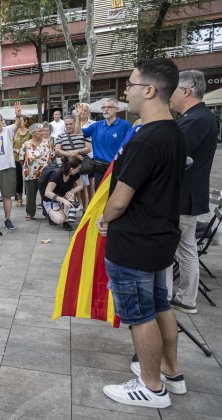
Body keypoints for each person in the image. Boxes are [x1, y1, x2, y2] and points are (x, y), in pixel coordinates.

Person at [98, 58, 186, 409]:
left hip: (135, 240)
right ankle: (170, 371)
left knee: (139, 314)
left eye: (131, 85)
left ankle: (151, 386)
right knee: (160, 303)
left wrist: (104, 218)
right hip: (160, 236)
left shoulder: (147, 139)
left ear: (149, 90)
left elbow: (120, 198)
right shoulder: (174, 132)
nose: (125, 92)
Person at [165, 69, 218, 314]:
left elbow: (172, 156)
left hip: (182, 196)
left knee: (168, 247)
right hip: (188, 195)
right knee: (185, 248)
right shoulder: (200, 117)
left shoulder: (195, 120)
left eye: (173, 91)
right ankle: (186, 297)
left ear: (186, 91)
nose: (170, 97)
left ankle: (165, 297)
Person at [77, 97, 131, 188]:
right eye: (103, 107)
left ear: (116, 109)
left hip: (116, 167)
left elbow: (130, 146)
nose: (105, 109)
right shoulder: (96, 125)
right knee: (99, 195)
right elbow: (79, 133)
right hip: (99, 168)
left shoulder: (125, 125)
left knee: (113, 195)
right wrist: (78, 117)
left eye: (109, 107)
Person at [55, 114, 92, 210]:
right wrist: (70, 154)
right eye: (66, 124)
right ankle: (69, 212)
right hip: (68, 167)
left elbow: (89, 148)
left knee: (83, 189)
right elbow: (57, 151)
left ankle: (85, 210)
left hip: (81, 166)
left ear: (75, 123)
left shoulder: (82, 134)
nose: (68, 126)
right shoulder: (60, 136)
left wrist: (77, 151)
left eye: (70, 124)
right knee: (67, 189)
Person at [19, 123, 53, 221]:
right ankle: (30, 213)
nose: (42, 132)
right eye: (40, 131)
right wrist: (28, 168)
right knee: (30, 194)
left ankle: (47, 212)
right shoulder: (26, 144)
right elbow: (21, 159)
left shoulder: (47, 143)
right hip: (30, 174)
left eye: (43, 131)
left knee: (45, 194)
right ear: (33, 133)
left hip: (45, 173)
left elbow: (51, 157)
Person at [43, 157, 82, 231]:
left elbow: (80, 186)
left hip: (63, 197)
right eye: (78, 168)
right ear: (71, 169)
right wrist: (63, 200)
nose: (79, 170)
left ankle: (66, 221)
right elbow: (47, 193)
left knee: (71, 196)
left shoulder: (74, 174)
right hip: (51, 200)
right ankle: (51, 214)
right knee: (59, 220)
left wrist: (71, 191)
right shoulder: (57, 175)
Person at [78, 103, 96, 203]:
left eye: (85, 110)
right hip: (78, 157)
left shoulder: (94, 124)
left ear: (88, 112)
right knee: (81, 184)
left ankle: (91, 205)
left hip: (91, 156)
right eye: (81, 110)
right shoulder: (74, 123)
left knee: (91, 185)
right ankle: (83, 205)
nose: (83, 112)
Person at [12, 115, 31, 207]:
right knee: (18, 178)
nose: (19, 123)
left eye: (21, 121)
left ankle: (30, 197)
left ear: (26, 122)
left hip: (29, 159)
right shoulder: (14, 132)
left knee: (29, 178)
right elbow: (9, 146)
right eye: (18, 121)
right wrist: (16, 150)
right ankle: (19, 198)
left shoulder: (30, 132)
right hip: (16, 158)